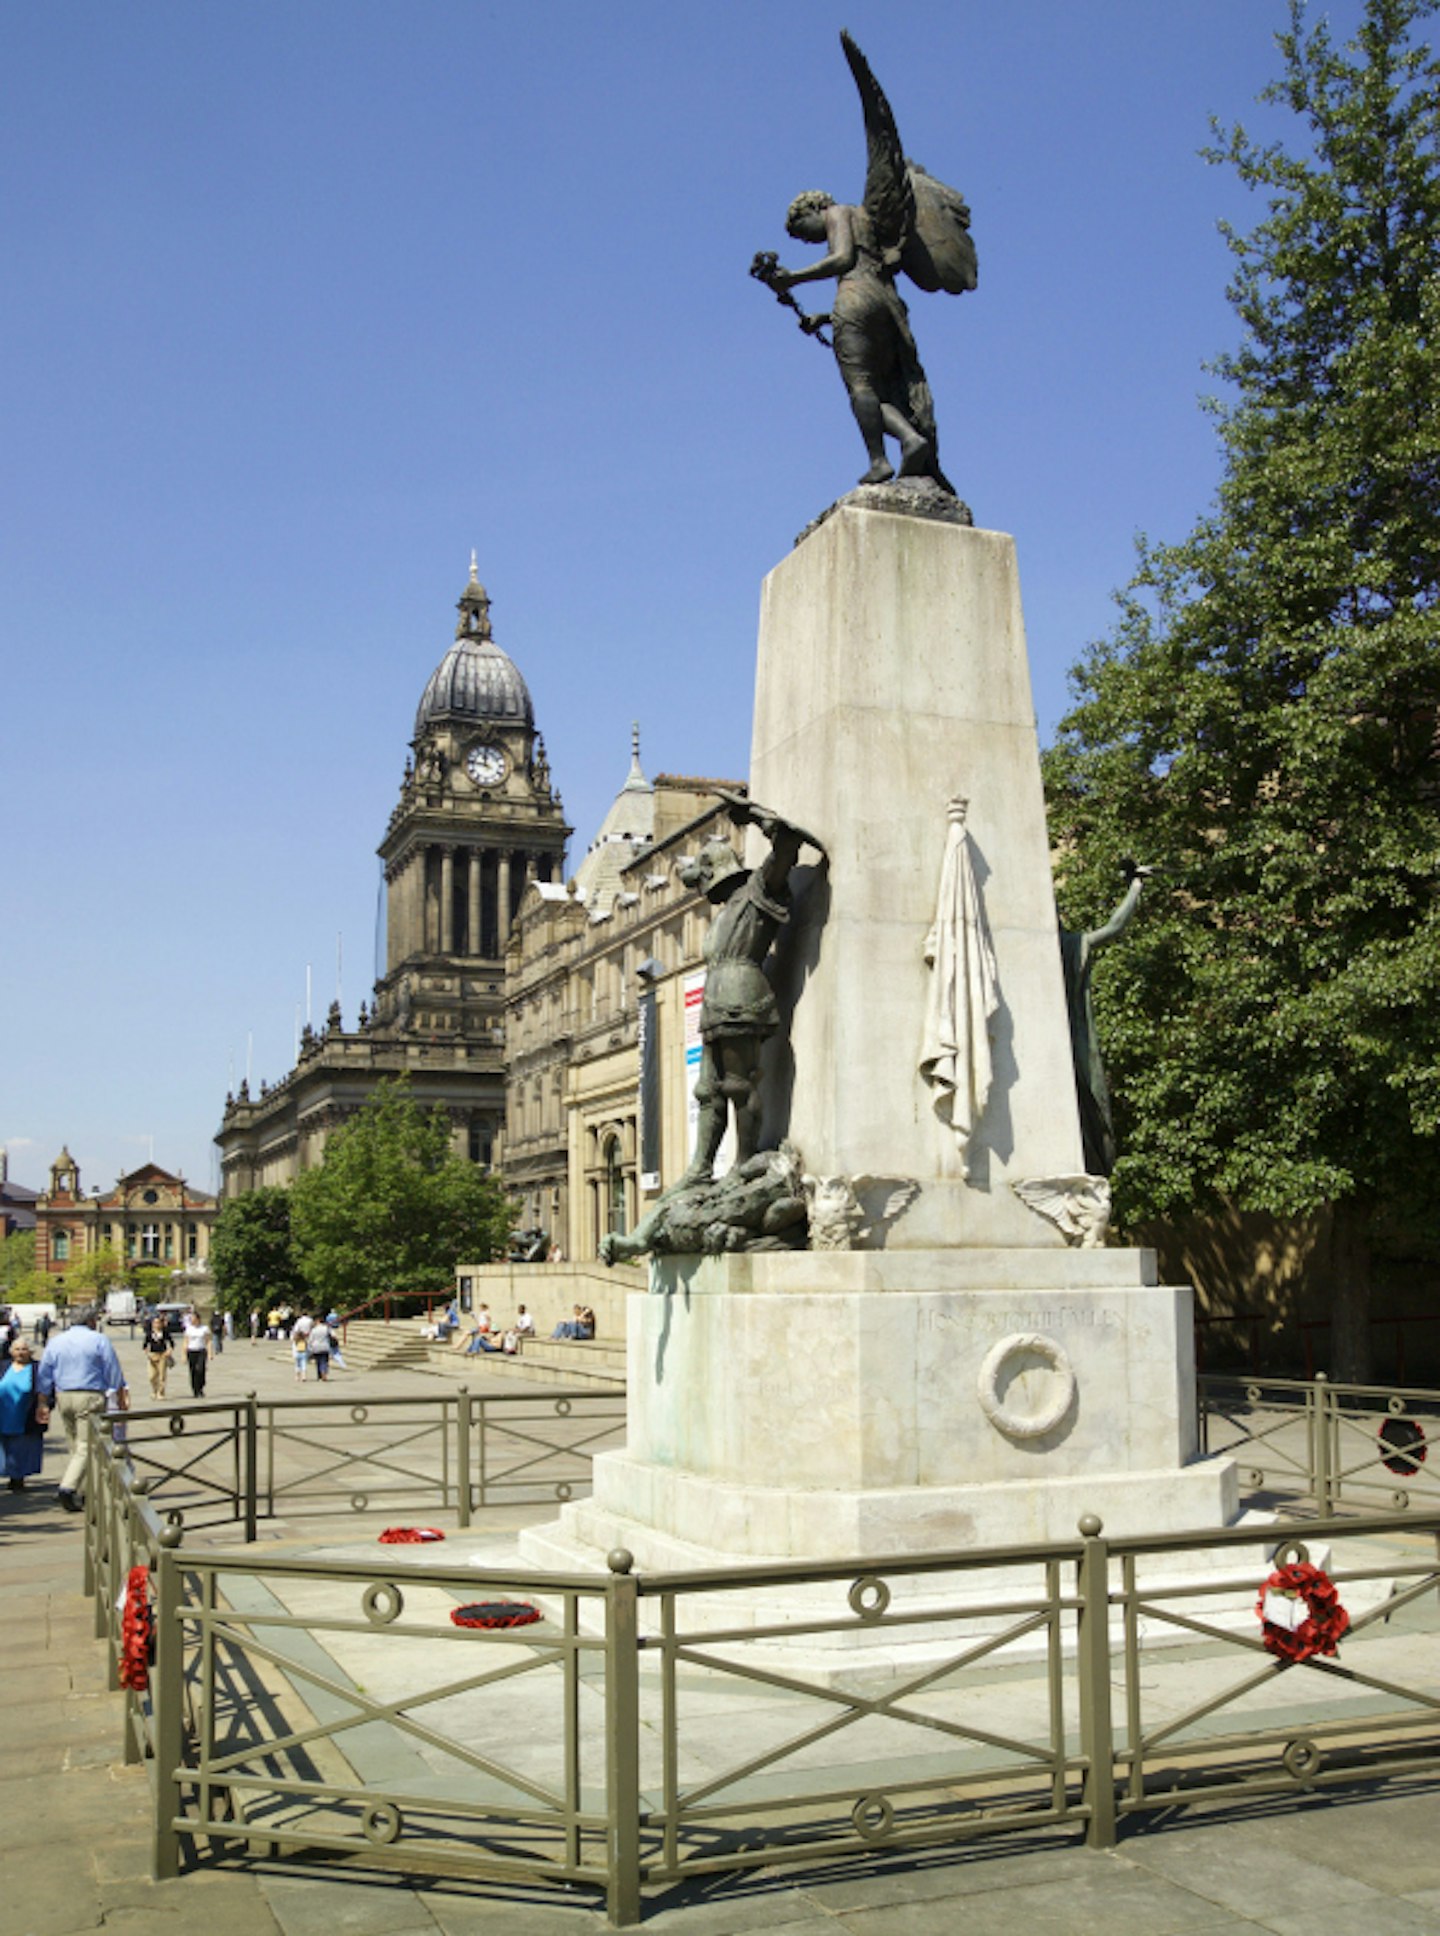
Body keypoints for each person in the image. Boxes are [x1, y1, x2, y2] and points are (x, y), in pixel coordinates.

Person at [672, 795, 822, 1191]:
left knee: (739, 1084)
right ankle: (701, 1168)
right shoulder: (727, 909)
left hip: (740, 992)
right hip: (716, 996)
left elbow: (788, 846)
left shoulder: (757, 891)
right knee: (707, 1088)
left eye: (701, 881)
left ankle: (745, 1159)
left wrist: (755, 817)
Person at [36, 1305, 128, 1511]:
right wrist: (120, 1395)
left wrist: (42, 1401)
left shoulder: (55, 1341)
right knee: (86, 1446)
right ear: (91, 1321)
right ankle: (67, 1488)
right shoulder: (98, 1339)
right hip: (90, 1394)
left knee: (75, 1445)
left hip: (63, 1395)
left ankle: (86, 1490)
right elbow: (113, 1370)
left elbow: (44, 1374)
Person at [0, 1338, 47, 1491]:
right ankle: (11, 1474)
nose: (20, 1353)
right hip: (4, 1413)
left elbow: (44, 1390)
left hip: (24, 1414)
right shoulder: (4, 1366)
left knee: (21, 1447)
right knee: (5, 1446)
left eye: (24, 1349)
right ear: (11, 1351)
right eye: (17, 1349)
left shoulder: (37, 1368)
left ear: (30, 1352)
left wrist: (44, 1405)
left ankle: (18, 1478)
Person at [141, 1315, 174, 1400]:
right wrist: (148, 1354)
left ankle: (161, 1393)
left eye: (158, 1323)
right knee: (152, 1376)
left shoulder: (165, 1332)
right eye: (155, 1323)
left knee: (162, 1375)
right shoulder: (149, 1334)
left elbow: (171, 1343)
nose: (157, 1324)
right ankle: (154, 1390)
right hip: (152, 1355)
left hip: (162, 1355)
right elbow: (145, 1346)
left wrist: (169, 1351)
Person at [182, 1310, 213, 1397]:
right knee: (193, 1371)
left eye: (193, 1318)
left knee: (201, 1369)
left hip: (201, 1351)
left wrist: (210, 1353)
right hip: (191, 1351)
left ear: (198, 1319)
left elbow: (208, 1341)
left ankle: (201, 1386)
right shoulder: (189, 1329)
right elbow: (185, 1342)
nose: (192, 1320)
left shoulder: (204, 1328)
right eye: (191, 1319)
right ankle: (195, 1390)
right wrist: (184, 1355)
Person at [306, 1314, 333, 1381]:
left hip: (316, 1347)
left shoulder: (314, 1330)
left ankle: (319, 1375)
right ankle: (324, 1372)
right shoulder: (326, 1328)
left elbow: (310, 1340)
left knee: (318, 1361)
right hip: (325, 1346)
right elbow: (333, 1335)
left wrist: (309, 1347)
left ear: (317, 1321)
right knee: (324, 1361)